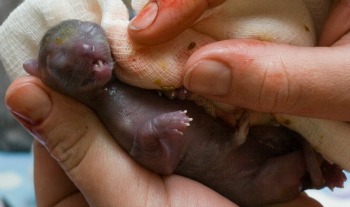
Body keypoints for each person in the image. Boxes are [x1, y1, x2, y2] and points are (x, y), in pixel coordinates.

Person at [4, 0, 349, 206]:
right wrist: (158, 130)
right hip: (247, 178)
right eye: (65, 66)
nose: (85, 52)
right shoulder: (111, 113)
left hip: (239, 140)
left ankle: (317, 164)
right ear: (42, 74)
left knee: (289, 148)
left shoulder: (126, 80)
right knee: (279, 177)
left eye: (88, 38)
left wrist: (176, 91)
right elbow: (154, 159)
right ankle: (317, 171)